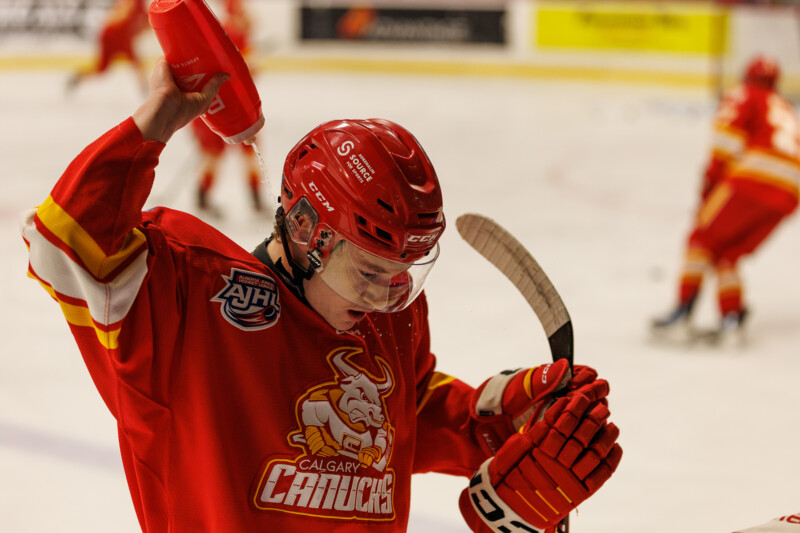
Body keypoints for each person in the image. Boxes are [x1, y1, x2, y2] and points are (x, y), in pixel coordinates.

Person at [23, 58, 621, 532]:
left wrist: (496, 420)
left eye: (405, 271)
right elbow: (63, 245)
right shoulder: (190, 300)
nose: (391, 295)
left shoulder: (388, 312)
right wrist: (153, 124)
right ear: (307, 231)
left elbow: (402, 414)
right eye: (369, 271)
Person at [652, 55, 800, 343]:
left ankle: (682, 312)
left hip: (753, 181)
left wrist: (709, 189)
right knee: (727, 251)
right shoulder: (785, 105)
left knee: (701, 238)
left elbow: (724, 143)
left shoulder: (743, 94)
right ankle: (732, 319)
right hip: (790, 194)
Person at [190, 0, 266, 215]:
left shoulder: (222, 31)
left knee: (213, 153)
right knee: (248, 150)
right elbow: (251, 70)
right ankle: (257, 200)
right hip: (234, 106)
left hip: (212, 105)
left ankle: (202, 197)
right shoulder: (237, 34)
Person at [67, 0, 149, 94]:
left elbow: (144, 24)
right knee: (102, 68)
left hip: (122, 38)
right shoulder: (134, 3)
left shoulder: (141, 9)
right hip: (112, 36)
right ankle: (77, 78)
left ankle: (145, 90)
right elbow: (121, 14)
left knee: (136, 63)